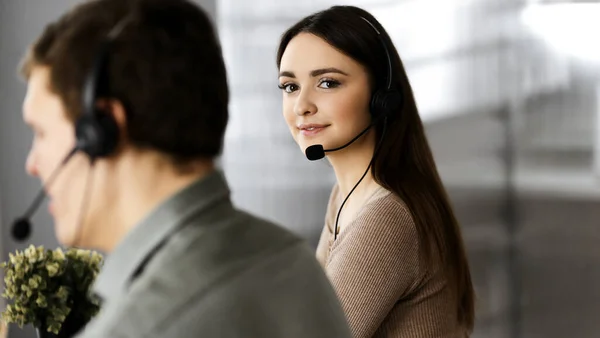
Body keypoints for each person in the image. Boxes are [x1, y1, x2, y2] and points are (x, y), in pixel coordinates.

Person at [19, 0, 352, 337]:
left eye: (41, 133)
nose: (32, 164)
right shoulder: (291, 260)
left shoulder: (133, 329)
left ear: (101, 131)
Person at [276, 5, 476, 338]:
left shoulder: (387, 217)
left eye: (327, 83)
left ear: (381, 98)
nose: (302, 105)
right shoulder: (347, 195)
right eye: (290, 87)